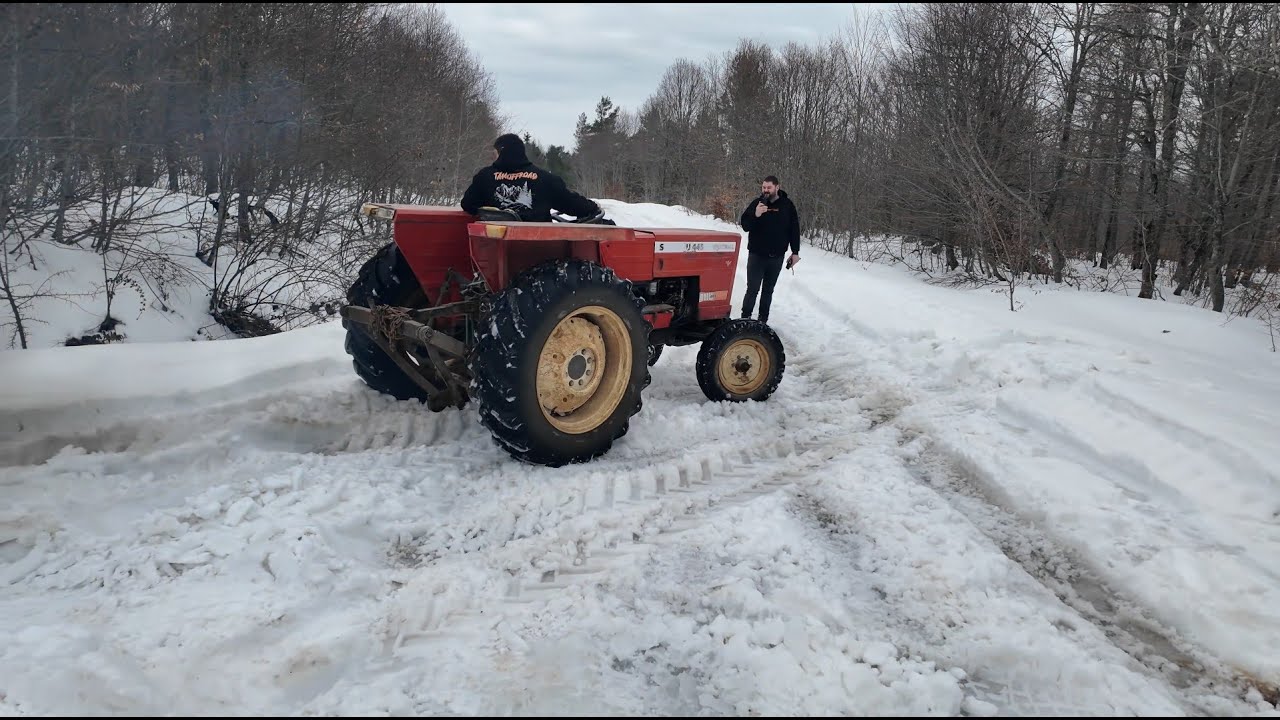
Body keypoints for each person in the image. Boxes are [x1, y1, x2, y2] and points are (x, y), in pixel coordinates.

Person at [460, 133, 602, 222]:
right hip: (539, 250)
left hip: (494, 246)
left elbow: (468, 204)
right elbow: (571, 204)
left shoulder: (484, 177)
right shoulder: (545, 180)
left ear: (501, 152)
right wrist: (591, 207)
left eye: (495, 154)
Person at [738, 175, 801, 323]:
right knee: (752, 289)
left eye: (769, 187)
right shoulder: (757, 203)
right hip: (757, 255)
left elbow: (794, 229)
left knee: (768, 290)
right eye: (764, 187)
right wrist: (756, 215)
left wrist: (795, 252)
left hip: (776, 257)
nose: (766, 190)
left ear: (777, 187)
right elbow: (745, 226)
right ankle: (745, 319)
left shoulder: (787, 205)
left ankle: (762, 320)